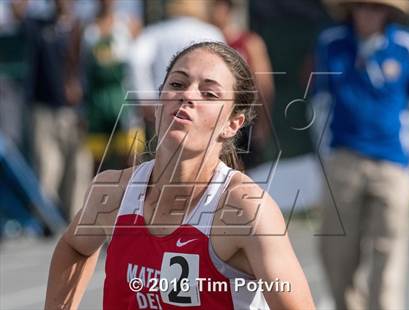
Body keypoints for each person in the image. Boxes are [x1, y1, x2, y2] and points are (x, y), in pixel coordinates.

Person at [45, 42, 315, 309]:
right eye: (177, 84)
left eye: (209, 94)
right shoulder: (113, 192)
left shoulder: (244, 210)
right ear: (159, 101)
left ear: (233, 124)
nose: (188, 96)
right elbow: (74, 247)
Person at [313, 0, 409, 309]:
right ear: (350, 9)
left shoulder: (408, 46)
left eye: (376, 7)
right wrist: (325, 153)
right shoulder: (332, 43)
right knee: (337, 253)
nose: (368, 13)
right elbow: (320, 101)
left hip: (393, 163)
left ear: (388, 12)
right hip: (344, 158)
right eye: (362, 6)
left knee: (389, 252)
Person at [128, 0, 225, 153]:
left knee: (161, 157)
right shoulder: (211, 33)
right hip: (201, 107)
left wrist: (146, 99)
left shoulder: (156, 32)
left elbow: (135, 61)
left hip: (164, 105)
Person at [28, 0, 92, 221]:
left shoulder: (83, 29)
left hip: (78, 111)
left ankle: (76, 217)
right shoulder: (39, 27)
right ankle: (46, 217)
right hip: (45, 108)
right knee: (48, 167)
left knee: (79, 168)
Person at [210, 0, 275, 168]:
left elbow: (264, 85)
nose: (215, 10)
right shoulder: (206, 42)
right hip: (213, 121)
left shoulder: (249, 42)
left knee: (241, 173)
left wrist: (263, 124)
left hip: (243, 123)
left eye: (220, 5)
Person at [83, 0, 144, 172]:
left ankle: (133, 198)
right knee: (98, 163)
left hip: (123, 100)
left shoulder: (129, 24)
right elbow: (77, 67)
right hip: (98, 102)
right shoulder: (86, 28)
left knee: (131, 160)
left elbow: (140, 63)